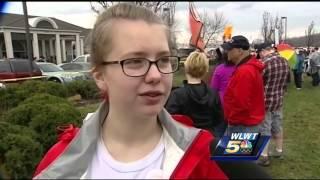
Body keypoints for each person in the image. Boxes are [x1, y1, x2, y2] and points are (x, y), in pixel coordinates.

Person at [32, 3, 232, 179]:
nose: (155, 75)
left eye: (163, 59)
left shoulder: (202, 150)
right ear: (100, 76)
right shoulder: (59, 162)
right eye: (135, 61)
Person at [165, 51, 224, 137]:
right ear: (205, 69)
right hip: (207, 139)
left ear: (186, 67)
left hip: (184, 140)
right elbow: (219, 119)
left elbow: (168, 120)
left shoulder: (177, 95)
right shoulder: (213, 94)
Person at [221, 35, 265, 135]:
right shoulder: (246, 68)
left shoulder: (245, 71)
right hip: (246, 125)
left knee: (238, 151)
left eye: (230, 49)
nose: (227, 51)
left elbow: (241, 104)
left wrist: (231, 119)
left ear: (240, 51)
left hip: (242, 126)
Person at [255, 43, 289, 166]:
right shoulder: (285, 61)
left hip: (265, 102)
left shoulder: (264, 64)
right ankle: (279, 150)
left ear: (263, 51)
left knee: (265, 128)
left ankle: (264, 156)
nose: (259, 55)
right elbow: (286, 82)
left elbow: (257, 83)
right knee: (278, 126)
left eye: (259, 52)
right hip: (278, 100)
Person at [209, 46, 236, 138]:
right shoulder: (240, 68)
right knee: (235, 134)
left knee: (219, 132)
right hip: (235, 106)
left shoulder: (219, 69)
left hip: (222, 106)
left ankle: (217, 149)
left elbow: (213, 88)